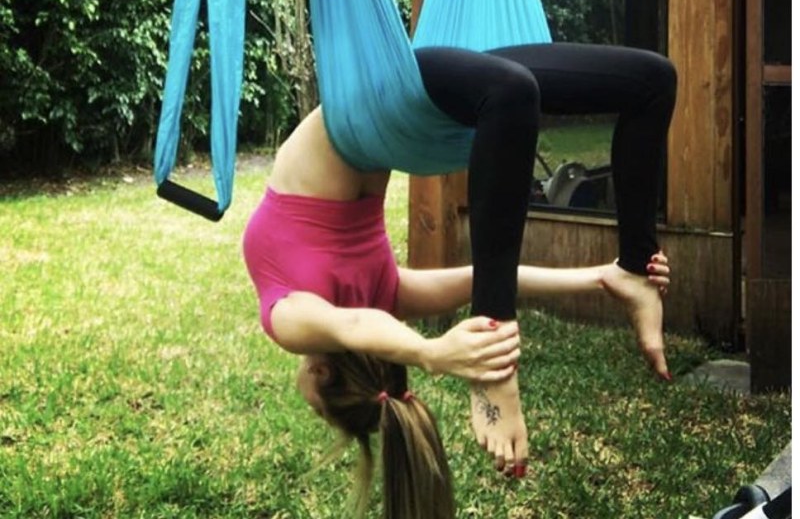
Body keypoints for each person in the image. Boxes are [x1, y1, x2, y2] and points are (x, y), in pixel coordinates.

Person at [242, 42, 677, 509]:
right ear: (323, 373)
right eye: (316, 406)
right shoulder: (361, 306)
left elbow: (361, 325)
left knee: (540, 88)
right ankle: (634, 268)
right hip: (410, 100)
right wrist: (599, 278)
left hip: (400, 100)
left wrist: (432, 352)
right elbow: (481, 278)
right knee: (650, 82)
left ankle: (505, 353)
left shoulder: (321, 314)